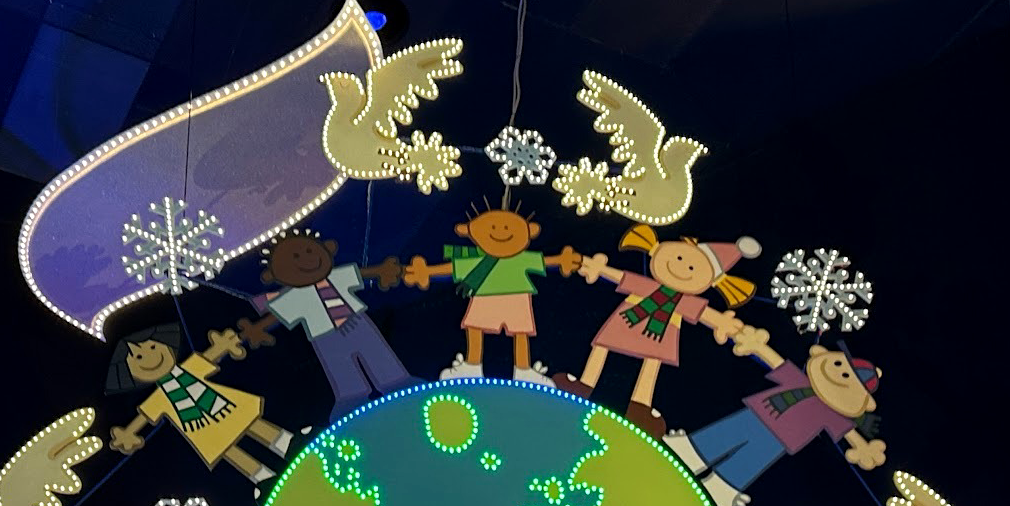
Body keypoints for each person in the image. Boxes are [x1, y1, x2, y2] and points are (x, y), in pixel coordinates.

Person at [555, 225, 760, 437]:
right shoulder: (646, 286)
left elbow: (704, 314)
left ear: (710, 281)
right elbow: (621, 277)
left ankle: (640, 407)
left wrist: (723, 323)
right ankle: (584, 384)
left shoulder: (684, 301)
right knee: (602, 346)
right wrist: (597, 267)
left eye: (692, 268)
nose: (681, 267)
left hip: (661, 332)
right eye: (679, 258)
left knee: (651, 364)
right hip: (627, 321)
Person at [664, 338, 888, 506]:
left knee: (749, 460)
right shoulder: (799, 380)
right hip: (758, 414)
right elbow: (777, 363)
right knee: (728, 433)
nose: (839, 375)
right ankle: (691, 451)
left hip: (779, 439)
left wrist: (864, 448)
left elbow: (849, 433)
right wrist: (757, 346)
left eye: (848, 377)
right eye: (840, 365)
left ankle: (721, 488)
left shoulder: (831, 413)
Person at [237, 231, 412, 422]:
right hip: (325, 336)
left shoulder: (336, 276)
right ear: (273, 274)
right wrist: (257, 329)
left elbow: (361, 274)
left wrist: (382, 270)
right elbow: (276, 316)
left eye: (309, 251)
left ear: (328, 248)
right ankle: (352, 397)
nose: (306, 259)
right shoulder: (295, 296)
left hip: (356, 323)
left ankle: (396, 381)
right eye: (295, 257)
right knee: (341, 367)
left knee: (375, 351)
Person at [402, 205, 581, 383]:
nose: (500, 232)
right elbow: (453, 268)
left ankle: (523, 370)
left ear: (530, 231)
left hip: (516, 299)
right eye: (493, 227)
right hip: (485, 299)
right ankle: (472, 366)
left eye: (507, 227)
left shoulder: (520, 259)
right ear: (468, 231)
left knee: (520, 333)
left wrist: (562, 260)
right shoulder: (478, 262)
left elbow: (544, 261)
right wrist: (426, 272)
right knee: (476, 329)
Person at [106, 324, 295, 489]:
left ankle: (287, 443)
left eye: (153, 346)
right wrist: (128, 434)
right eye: (139, 357)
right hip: (199, 426)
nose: (150, 356)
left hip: (222, 405)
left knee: (251, 422)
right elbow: (143, 418)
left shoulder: (189, 368)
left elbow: (211, 355)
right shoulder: (158, 398)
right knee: (229, 450)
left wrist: (222, 345)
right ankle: (262, 477)